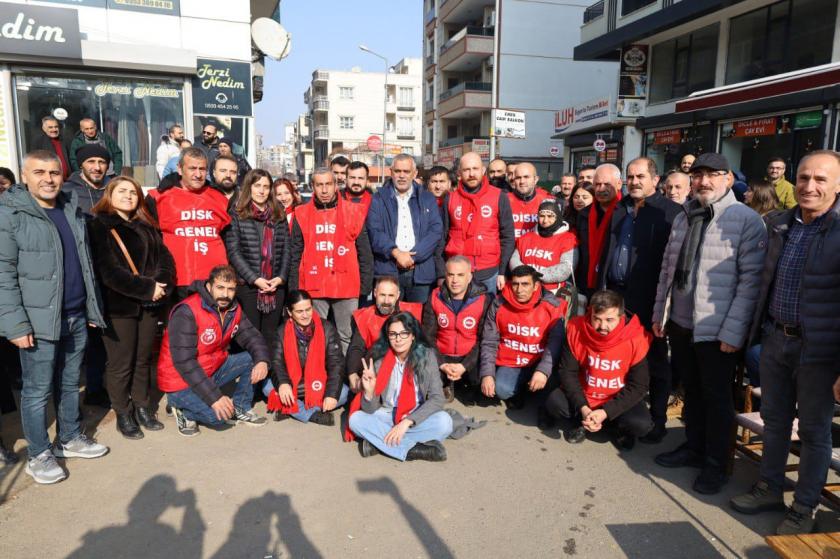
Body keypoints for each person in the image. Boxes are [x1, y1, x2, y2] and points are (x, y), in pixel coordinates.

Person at [730, 150, 840, 535]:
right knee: (775, 422)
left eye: (821, 180)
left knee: (813, 431)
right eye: (805, 177)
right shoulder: (780, 223)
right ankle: (770, 488)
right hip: (776, 338)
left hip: (820, 352)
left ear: (838, 186)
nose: (810, 186)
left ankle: (804, 507)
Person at [652, 152, 767, 495]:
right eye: (698, 175)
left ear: (728, 179)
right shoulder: (686, 215)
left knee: (717, 399)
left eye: (712, 175)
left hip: (718, 331)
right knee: (692, 393)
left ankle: (716, 464)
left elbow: (751, 284)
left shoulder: (745, 220)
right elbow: (667, 271)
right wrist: (662, 313)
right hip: (682, 323)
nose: (703, 181)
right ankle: (694, 447)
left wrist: (734, 332)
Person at [0, 150, 108, 485]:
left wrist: (91, 307)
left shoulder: (70, 208)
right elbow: (3, 273)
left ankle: (69, 438)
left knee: (69, 382)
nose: (48, 179)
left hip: (75, 314)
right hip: (37, 321)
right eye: (40, 172)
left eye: (54, 172)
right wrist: (15, 324)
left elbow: (84, 264)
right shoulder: (11, 213)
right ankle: (38, 454)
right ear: (25, 175)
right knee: (36, 390)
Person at [598, 157, 682, 443]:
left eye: (640, 176)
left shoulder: (670, 213)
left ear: (655, 180)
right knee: (615, 359)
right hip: (616, 297)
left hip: (650, 301)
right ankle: (617, 415)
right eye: (630, 177)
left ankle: (655, 420)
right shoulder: (621, 208)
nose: (634, 181)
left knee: (654, 362)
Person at [89, 176, 175, 439]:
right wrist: (147, 288)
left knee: (143, 359)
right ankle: (123, 412)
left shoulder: (146, 225)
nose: (128, 196)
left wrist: (160, 285)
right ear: (110, 195)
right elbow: (108, 271)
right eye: (122, 191)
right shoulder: (98, 226)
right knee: (120, 362)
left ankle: (142, 406)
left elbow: (165, 260)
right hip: (119, 307)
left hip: (149, 306)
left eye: (133, 192)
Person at [157, 265, 270, 436]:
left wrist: (262, 360)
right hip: (180, 380)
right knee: (219, 417)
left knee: (253, 358)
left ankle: (241, 407)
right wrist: (215, 397)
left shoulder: (233, 308)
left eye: (231, 289)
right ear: (209, 287)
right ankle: (180, 407)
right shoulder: (187, 311)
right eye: (220, 288)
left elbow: (251, 336)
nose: (225, 294)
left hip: (210, 369)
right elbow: (185, 362)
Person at [543, 290, 653, 448]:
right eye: (597, 319)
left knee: (641, 425)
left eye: (609, 320)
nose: (603, 326)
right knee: (554, 403)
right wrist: (583, 407)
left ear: (621, 317)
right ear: (590, 313)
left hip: (616, 396)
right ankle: (582, 420)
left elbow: (639, 386)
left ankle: (617, 428)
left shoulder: (636, 338)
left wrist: (605, 412)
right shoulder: (576, 329)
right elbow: (568, 372)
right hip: (585, 394)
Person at [347, 312, 454, 461]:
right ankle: (414, 450)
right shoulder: (379, 359)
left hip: (414, 415)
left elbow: (437, 398)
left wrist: (406, 422)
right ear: (388, 337)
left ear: (413, 335)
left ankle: (378, 444)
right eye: (393, 334)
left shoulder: (427, 356)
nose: (398, 339)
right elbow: (369, 409)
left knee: (445, 422)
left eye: (404, 333)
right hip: (386, 414)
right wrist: (369, 392)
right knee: (356, 420)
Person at [288, 168, 373, 352]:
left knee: (346, 335)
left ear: (336, 186)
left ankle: (345, 377)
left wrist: (365, 287)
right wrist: (293, 289)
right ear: (313, 187)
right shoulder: (301, 213)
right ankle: (317, 375)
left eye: (328, 184)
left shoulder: (354, 211)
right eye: (319, 185)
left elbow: (364, 252)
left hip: (347, 285)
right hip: (313, 285)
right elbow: (295, 254)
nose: (324, 190)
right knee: (314, 335)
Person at [479, 265, 566, 407]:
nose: (519, 290)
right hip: (512, 360)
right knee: (502, 389)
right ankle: (520, 390)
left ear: (536, 286)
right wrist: (487, 374)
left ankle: (541, 404)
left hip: (540, 359)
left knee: (552, 389)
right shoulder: (498, 304)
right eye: (515, 284)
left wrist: (543, 371)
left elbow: (555, 343)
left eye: (525, 284)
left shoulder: (551, 305)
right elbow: (489, 340)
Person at [151, 147, 231, 300]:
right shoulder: (160, 197)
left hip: (213, 278)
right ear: (180, 169)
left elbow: (228, 236)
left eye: (202, 169)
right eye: (192, 168)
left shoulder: (219, 198)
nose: (198, 174)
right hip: (176, 278)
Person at [224, 169, 290, 351]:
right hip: (248, 286)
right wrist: (255, 279)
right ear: (249, 187)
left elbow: (286, 249)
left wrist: (281, 277)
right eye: (257, 186)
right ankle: (249, 375)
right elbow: (234, 251)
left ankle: (267, 375)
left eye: (266, 187)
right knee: (249, 336)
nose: (262, 191)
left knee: (271, 336)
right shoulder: (237, 214)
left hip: (275, 285)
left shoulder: (279, 215)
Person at [368, 154, 443, 303]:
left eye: (406, 171)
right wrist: (396, 253)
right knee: (388, 320)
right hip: (389, 270)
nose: (401, 176)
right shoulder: (378, 199)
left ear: (414, 174)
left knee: (417, 320)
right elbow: (375, 232)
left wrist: (412, 257)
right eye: (398, 171)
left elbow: (435, 231)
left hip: (420, 271)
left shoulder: (427, 198)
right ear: (391, 172)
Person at [266, 290, 348, 425]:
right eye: (299, 311)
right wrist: (283, 383)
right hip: (293, 384)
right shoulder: (281, 331)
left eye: (308, 309)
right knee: (266, 387)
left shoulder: (327, 328)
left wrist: (331, 394)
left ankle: (290, 409)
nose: (305, 315)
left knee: (343, 392)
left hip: (319, 384)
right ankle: (314, 415)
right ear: (289, 312)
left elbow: (336, 364)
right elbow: (276, 362)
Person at [443, 152, 515, 294]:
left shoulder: (499, 196)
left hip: (489, 273)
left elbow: (507, 236)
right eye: (466, 170)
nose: (471, 174)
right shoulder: (450, 199)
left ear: (483, 170)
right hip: (456, 275)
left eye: (475, 169)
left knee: (487, 315)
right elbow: (442, 237)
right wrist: (441, 273)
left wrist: (502, 271)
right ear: (459, 173)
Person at [422, 256, 491, 401]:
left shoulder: (484, 300)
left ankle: (465, 381)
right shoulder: (435, 296)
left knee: (480, 380)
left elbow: (483, 339)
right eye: (450, 275)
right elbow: (428, 336)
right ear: (445, 275)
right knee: (426, 378)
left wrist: (465, 365)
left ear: (470, 276)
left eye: (460, 275)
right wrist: (441, 364)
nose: (455, 280)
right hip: (443, 353)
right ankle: (446, 382)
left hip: (469, 355)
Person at [346, 276, 423, 393]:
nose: (386, 301)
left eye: (391, 296)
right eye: (382, 295)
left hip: (406, 368)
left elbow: (423, 346)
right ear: (375, 293)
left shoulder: (411, 312)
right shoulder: (365, 316)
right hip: (377, 367)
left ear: (398, 295)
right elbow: (356, 348)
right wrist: (352, 374)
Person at [511, 199, 577, 294]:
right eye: (542, 216)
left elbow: (566, 268)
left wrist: (537, 275)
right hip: (524, 290)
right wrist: (527, 276)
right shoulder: (526, 237)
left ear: (557, 217)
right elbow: (514, 260)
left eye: (550, 216)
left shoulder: (568, 239)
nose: (545, 220)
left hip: (552, 293)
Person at [577, 164, 622, 295]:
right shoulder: (584, 214)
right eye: (597, 184)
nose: (601, 189)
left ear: (619, 184)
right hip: (586, 283)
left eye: (607, 184)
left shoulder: (627, 213)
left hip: (613, 286)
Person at [63, 144, 112, 216]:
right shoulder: (66, 191)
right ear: (81, 165)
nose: (97, 168)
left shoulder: (115, 190)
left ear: (107, 167)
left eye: (102, 162)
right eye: (91, 162)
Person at [508, 162, 553, 239]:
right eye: (518, 178)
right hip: (510, 249)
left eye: (526, 177)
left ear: (536, 179)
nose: (522, 181)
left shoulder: (548, 200)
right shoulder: (504, 200)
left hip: (536, 249)